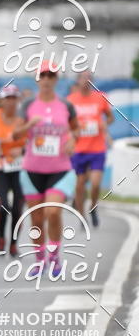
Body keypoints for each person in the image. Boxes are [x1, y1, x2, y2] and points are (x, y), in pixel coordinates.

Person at [13, 61, 79, 277]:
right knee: (37, 218)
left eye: (51, 76)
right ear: (37, 80)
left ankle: (54, 256)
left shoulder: (66, 105)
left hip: (60, 169)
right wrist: (29, 125)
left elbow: (76, 130)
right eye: (43, 76)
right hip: (32, 170)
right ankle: (40, 260)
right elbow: (15, 134)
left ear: (56, 79)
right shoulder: (28, 105)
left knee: (53, 211)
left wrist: (72, 141)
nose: (47, 80)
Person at [67, 71, 113, 227]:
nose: (86, 81)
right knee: (80, 185)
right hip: (78, 149)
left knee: (95, 183)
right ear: (78, 81)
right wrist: (71, 134)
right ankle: (82, 216)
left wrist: (104, 124)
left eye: (89, 78)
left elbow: (110, 117)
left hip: (97, 148)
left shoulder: (100, 97)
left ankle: (93, 207)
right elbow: (66, 122)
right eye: (83, 78)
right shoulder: (71, 100)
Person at [0, 84, 26, 256]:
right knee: (3, 206)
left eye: (13, 98)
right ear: (1, 101)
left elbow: (34, 141)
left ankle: (14, 243)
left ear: (18, 100)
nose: (10, 102)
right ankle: (1, 237)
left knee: (17, 208)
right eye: (7, 98)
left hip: (20, 168)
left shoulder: (23, 119)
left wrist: (22, 150)